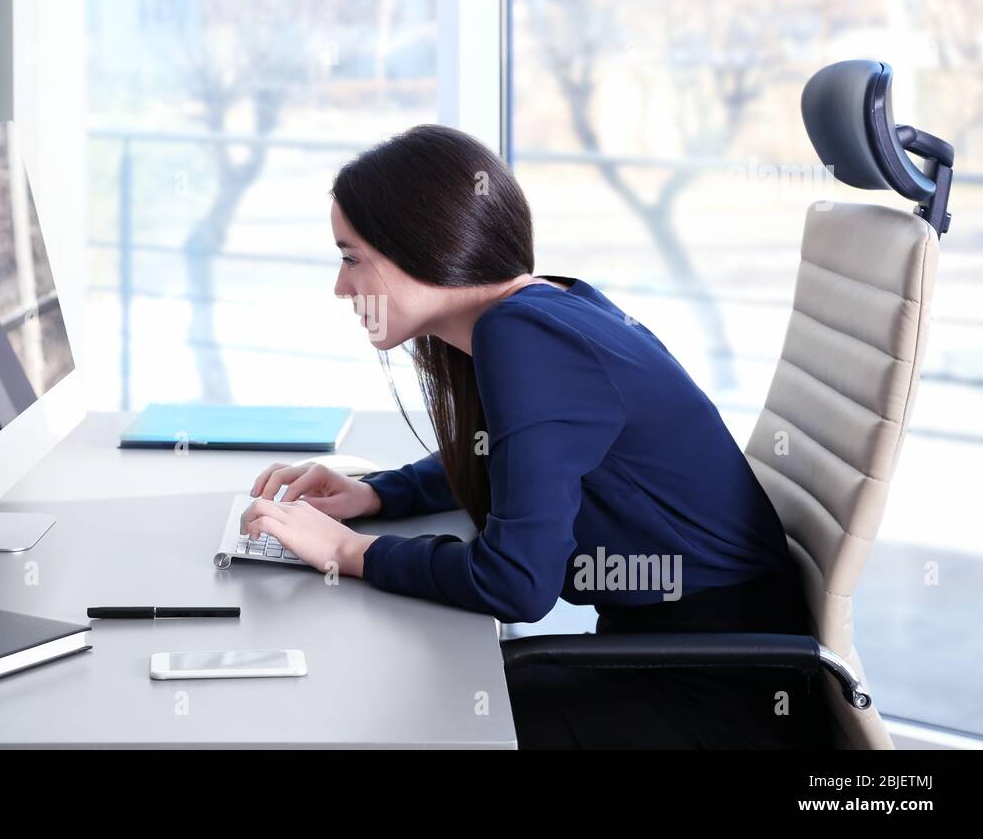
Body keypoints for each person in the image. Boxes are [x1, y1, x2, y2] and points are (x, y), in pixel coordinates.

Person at [241, 123, 826, 748]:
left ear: (421, 242)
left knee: (393, 717)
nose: (341, 286)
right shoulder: (548, 307)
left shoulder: (523, 336)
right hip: (686, 656)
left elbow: (515, 583)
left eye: (351, 257)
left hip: (712, 693)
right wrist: (382, 496)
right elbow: (524, 452)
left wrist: (349, 553)